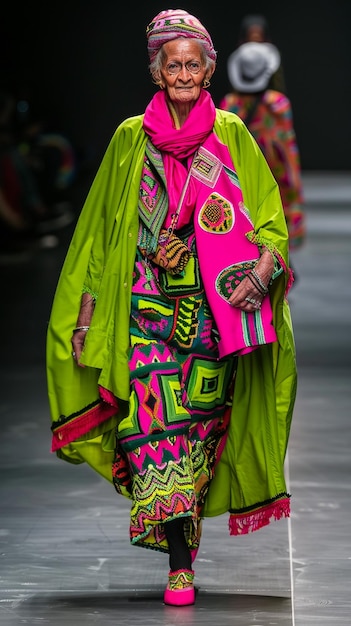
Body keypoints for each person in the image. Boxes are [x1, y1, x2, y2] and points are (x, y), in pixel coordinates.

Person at [46, 9, 297, 607]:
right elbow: (100, 235)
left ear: (208, 70)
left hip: (211, 319)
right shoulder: (130, 138)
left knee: (199, 431)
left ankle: (185, 539)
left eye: (192, 64)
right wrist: (85, 319)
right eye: (172, 64)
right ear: (158, 71)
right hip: (141, 314)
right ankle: (179, 562)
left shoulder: (231, 134)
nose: (182, 74)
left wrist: (260, 277)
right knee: (154, 431)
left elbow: (269, 223)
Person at [219, 41, 306, 251]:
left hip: (242, 176)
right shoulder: (278, 103)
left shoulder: (229, 105)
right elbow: (288, 150)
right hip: (273, 175)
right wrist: (293, 188)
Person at [236, 13, 287, 93]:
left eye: (258, 33)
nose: (255, 36)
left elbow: (277, 82)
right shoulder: (239, 56)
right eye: (252, 33)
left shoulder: (272, 56)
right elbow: (235, 78)